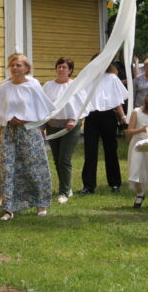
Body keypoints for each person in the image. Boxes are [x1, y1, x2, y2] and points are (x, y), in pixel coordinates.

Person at [0, 53, 55, 221]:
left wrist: (28, 119)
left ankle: (41, 203)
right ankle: (9, 208)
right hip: (9, 132)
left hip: (29, 131)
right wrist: (7, 118)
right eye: (12, 65)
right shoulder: (4, 87)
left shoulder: (33, 85)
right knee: (8, 168)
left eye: (19, 65)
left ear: (26, 68)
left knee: (34, 166)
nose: (15, 68)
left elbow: (44, 108)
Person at [80, 62, 129, 194]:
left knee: (111, 150)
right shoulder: (88, 79)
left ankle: (115, 183)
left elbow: (117, 100)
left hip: (108, 116)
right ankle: (88, 185)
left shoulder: (112, 78)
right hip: (91, 117)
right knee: (90, 151)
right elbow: (82, 99)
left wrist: (123, 118)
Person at [43, 57, 84, 204]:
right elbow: (43, 107)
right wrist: (42, 127)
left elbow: (82, 105)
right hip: (52, 126)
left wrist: (74, 120)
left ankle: (64, 192)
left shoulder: (75, 86)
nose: (61, 69)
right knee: (56, 160)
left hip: (70, 127)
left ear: (70, 70)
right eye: (59, 66)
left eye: (64, 67)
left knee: (64, 159)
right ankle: (66, 187)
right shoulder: (48, 86)